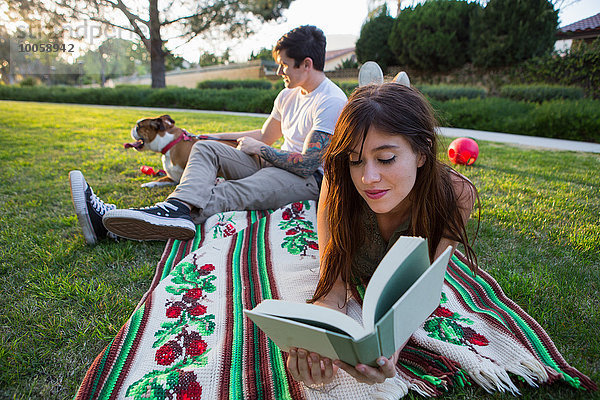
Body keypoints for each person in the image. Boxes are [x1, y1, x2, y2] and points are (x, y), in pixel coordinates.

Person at [69, 25, 347, 245]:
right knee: (203, 150)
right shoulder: (288, 94)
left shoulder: (330, 100)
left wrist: (260, 150)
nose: (278, 72)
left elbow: (309, 163)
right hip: (273, 160)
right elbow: (264, 135)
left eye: (284, 65)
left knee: (225, 191)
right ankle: (175, 208)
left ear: (306, 64)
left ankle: (115, 224)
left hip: (307, 179)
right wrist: (212, 137)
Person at [285, 82, 479, 386]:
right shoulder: (338, 182)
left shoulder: (456, 195)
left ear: (422, 153)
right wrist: (319, 340)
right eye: (355, 159)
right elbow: (332, 283)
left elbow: (423, 288)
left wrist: (391, 347)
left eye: (386, 158)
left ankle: (395, 84)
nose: (368, 178)